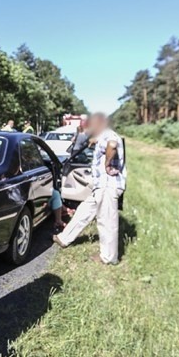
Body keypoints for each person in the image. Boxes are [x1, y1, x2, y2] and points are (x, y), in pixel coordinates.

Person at [53, 113, 126, 264]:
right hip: (101, 186)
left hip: (108, 185)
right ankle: (63, 238)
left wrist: (107, 163)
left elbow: (112, 145)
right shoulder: (104, 135)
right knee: (83, 211)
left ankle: (108, 258)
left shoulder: (109, 135)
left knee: (106, 222)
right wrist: (94, 141)